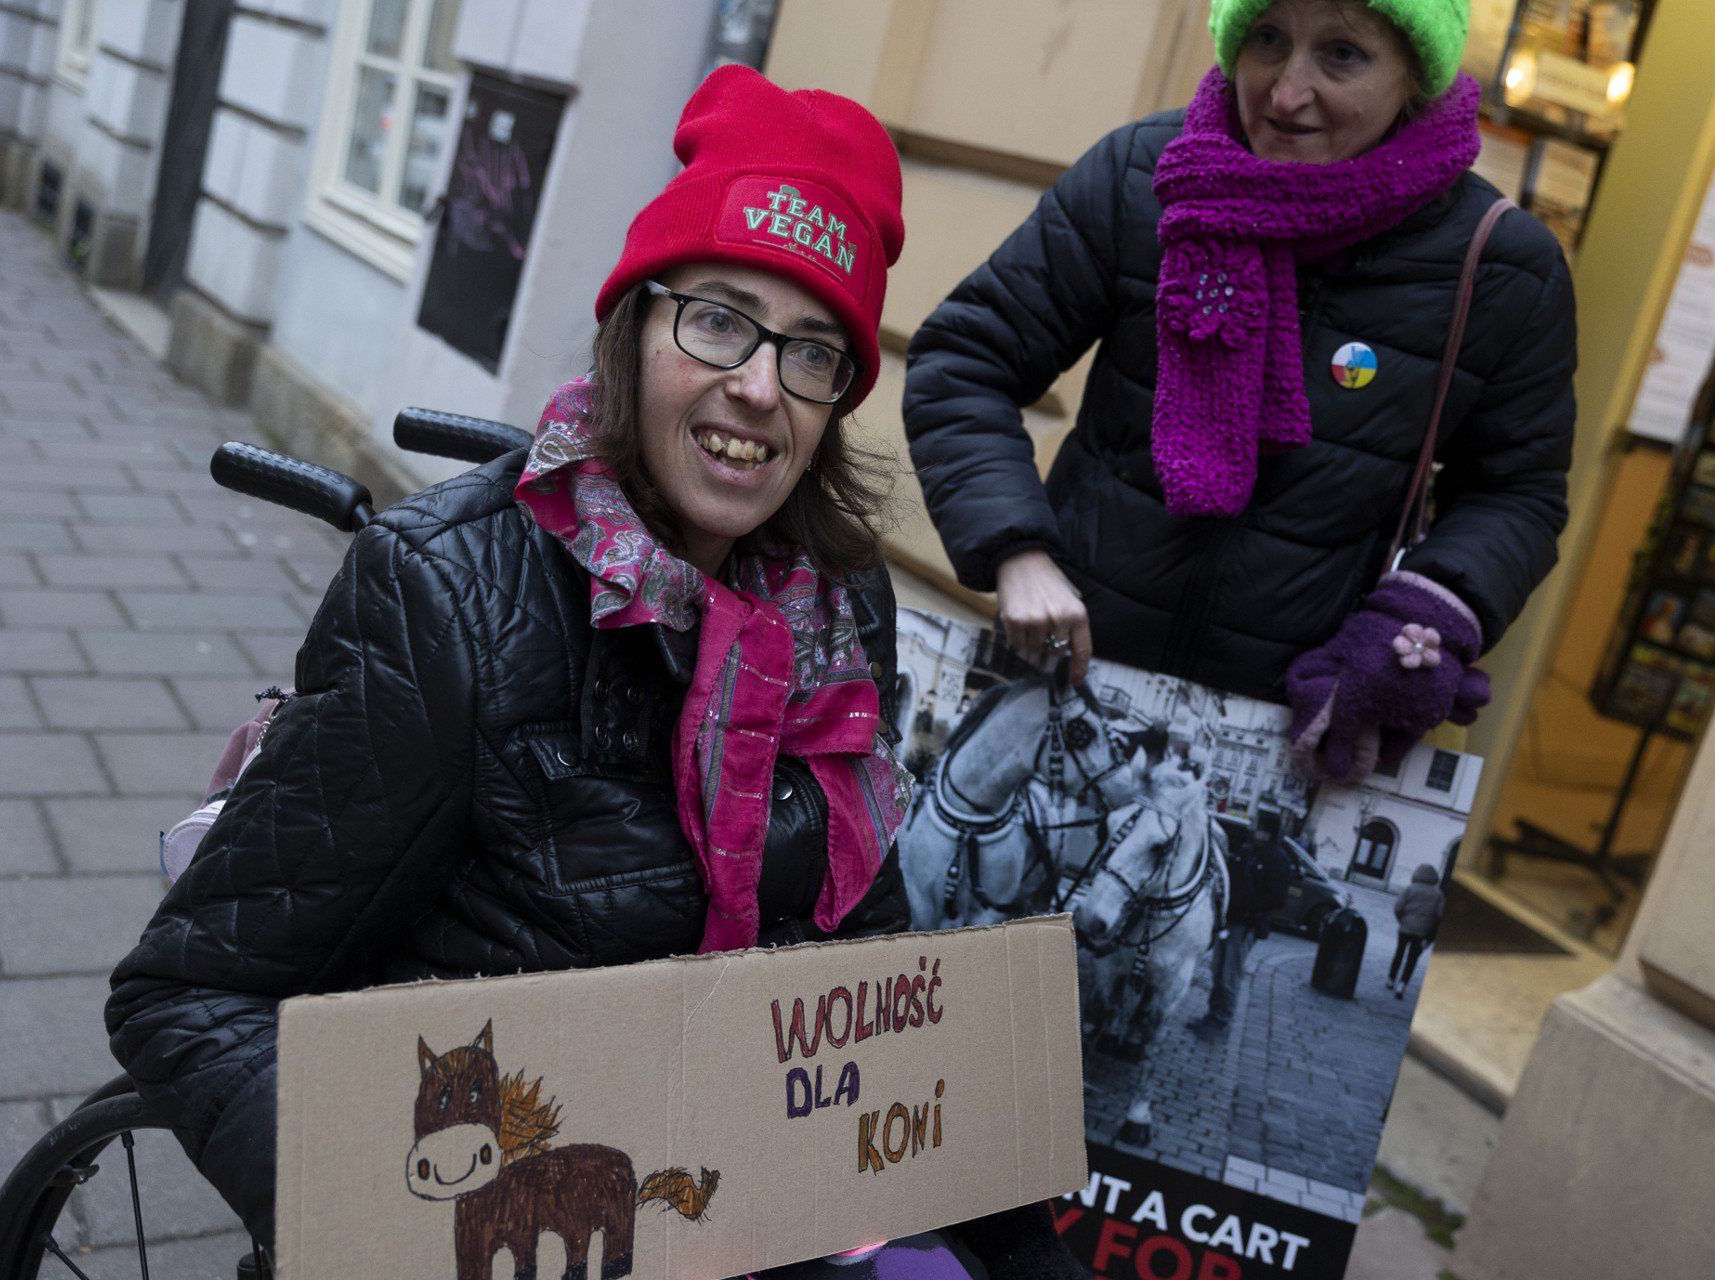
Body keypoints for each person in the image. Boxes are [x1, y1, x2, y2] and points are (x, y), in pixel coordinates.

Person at [106, 67, 1079, 1280]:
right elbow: (188, 995)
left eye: (815, 351)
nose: (760, 387)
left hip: (725, 1197)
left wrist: (1026, 1246)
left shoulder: (840, 605)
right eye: (719, 318)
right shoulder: (448, 596)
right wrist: (406, 1233)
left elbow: (859, 943)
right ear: (636, 324)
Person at [904, 0, 1577, 783]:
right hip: (1066, 695)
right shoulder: (1142, 178)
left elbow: (1516, 494)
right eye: (1266, 40)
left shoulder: (1502, 268)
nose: (1286, 94)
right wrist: (1016, 548)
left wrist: (1424, 616)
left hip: (1290, 746)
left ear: (1415, 78)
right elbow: (965, 359)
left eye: (1342, 55)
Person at [1193, 819, 1291, 1034]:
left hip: (1246, 925)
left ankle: (1221, 1019)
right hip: (1228, 920)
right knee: (1217, 970)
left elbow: (1278, 898)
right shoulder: (1246, 851)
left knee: (1230, 974)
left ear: (1271, 834)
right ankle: (1211, 1013)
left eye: (1263, 830)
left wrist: (1252, 910)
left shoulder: (1277, 859)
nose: (1258, 833)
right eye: (1257, 828)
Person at [1388, 863, 1446, 997]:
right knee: (1412, 959)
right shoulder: (1438, 894)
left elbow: (1398, 907)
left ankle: (1391, 979)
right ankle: (1402, 985)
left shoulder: (1410, 889)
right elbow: (1440, 915)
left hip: (1405, 927)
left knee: (1399, 953)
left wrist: (1402, 920)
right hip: (1422, 931)